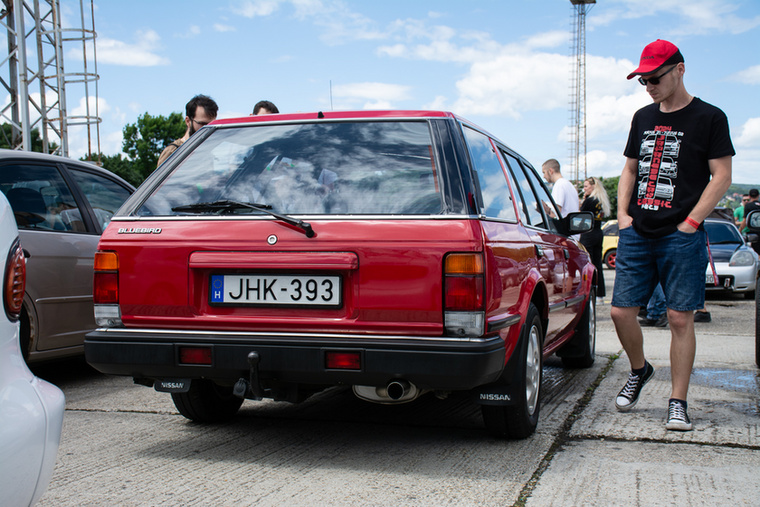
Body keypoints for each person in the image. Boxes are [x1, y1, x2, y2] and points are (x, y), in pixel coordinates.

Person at [610, 39, 733, 432]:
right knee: (619, 312)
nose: (648, 85)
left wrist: (692, 222)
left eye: (655, 77)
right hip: (637, 232)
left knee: (681, 319)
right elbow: (630, 169)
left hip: (681, 235)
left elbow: (722, 176)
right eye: (643, 79)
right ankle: (639, 369)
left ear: (679, 69)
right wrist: (622, 215)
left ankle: (677, 401)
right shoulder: (642, 116)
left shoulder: (710, 117)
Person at [157, 95, 218, 167]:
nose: (208, 129)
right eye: (203, 124)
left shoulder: (206, 153)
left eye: (211, 125)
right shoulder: (173, 151)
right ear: (188, 121)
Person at [579, 177, 611, 298]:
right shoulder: (600, 200)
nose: (584, 189)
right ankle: (600, 294)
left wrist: (582, 202)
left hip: (588, 233)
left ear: (593, 187)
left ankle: (588, 292)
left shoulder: (590, 200)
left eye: (586, 186)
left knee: (587, 264)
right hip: (598, 233)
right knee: (598, 265)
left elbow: (580, 215)